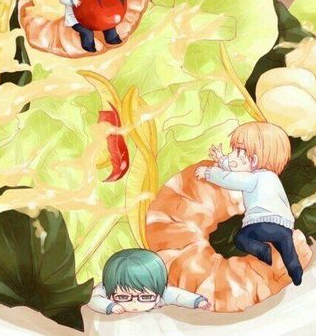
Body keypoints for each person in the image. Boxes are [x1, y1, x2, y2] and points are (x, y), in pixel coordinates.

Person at [195, 121, 304, 285]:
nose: (232, 155)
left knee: (242, 238)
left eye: (238, 152)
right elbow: (239, 168)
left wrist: (209, 172)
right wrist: (222, 160)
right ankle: (296, 272)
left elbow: (231, 179)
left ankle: (263, 251)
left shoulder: (254, 178)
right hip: (285, 226)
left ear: (253, 160)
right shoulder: (272, 177)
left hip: (262, 223)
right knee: (288, 251)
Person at [87, 248, 212, 314]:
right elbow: (92, 300)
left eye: (145, 297)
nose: (134, 303)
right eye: (123, 297)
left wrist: (197, 301)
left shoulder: (159, 291)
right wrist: (110, 306)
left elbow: (178, 295)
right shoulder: (107, 288)